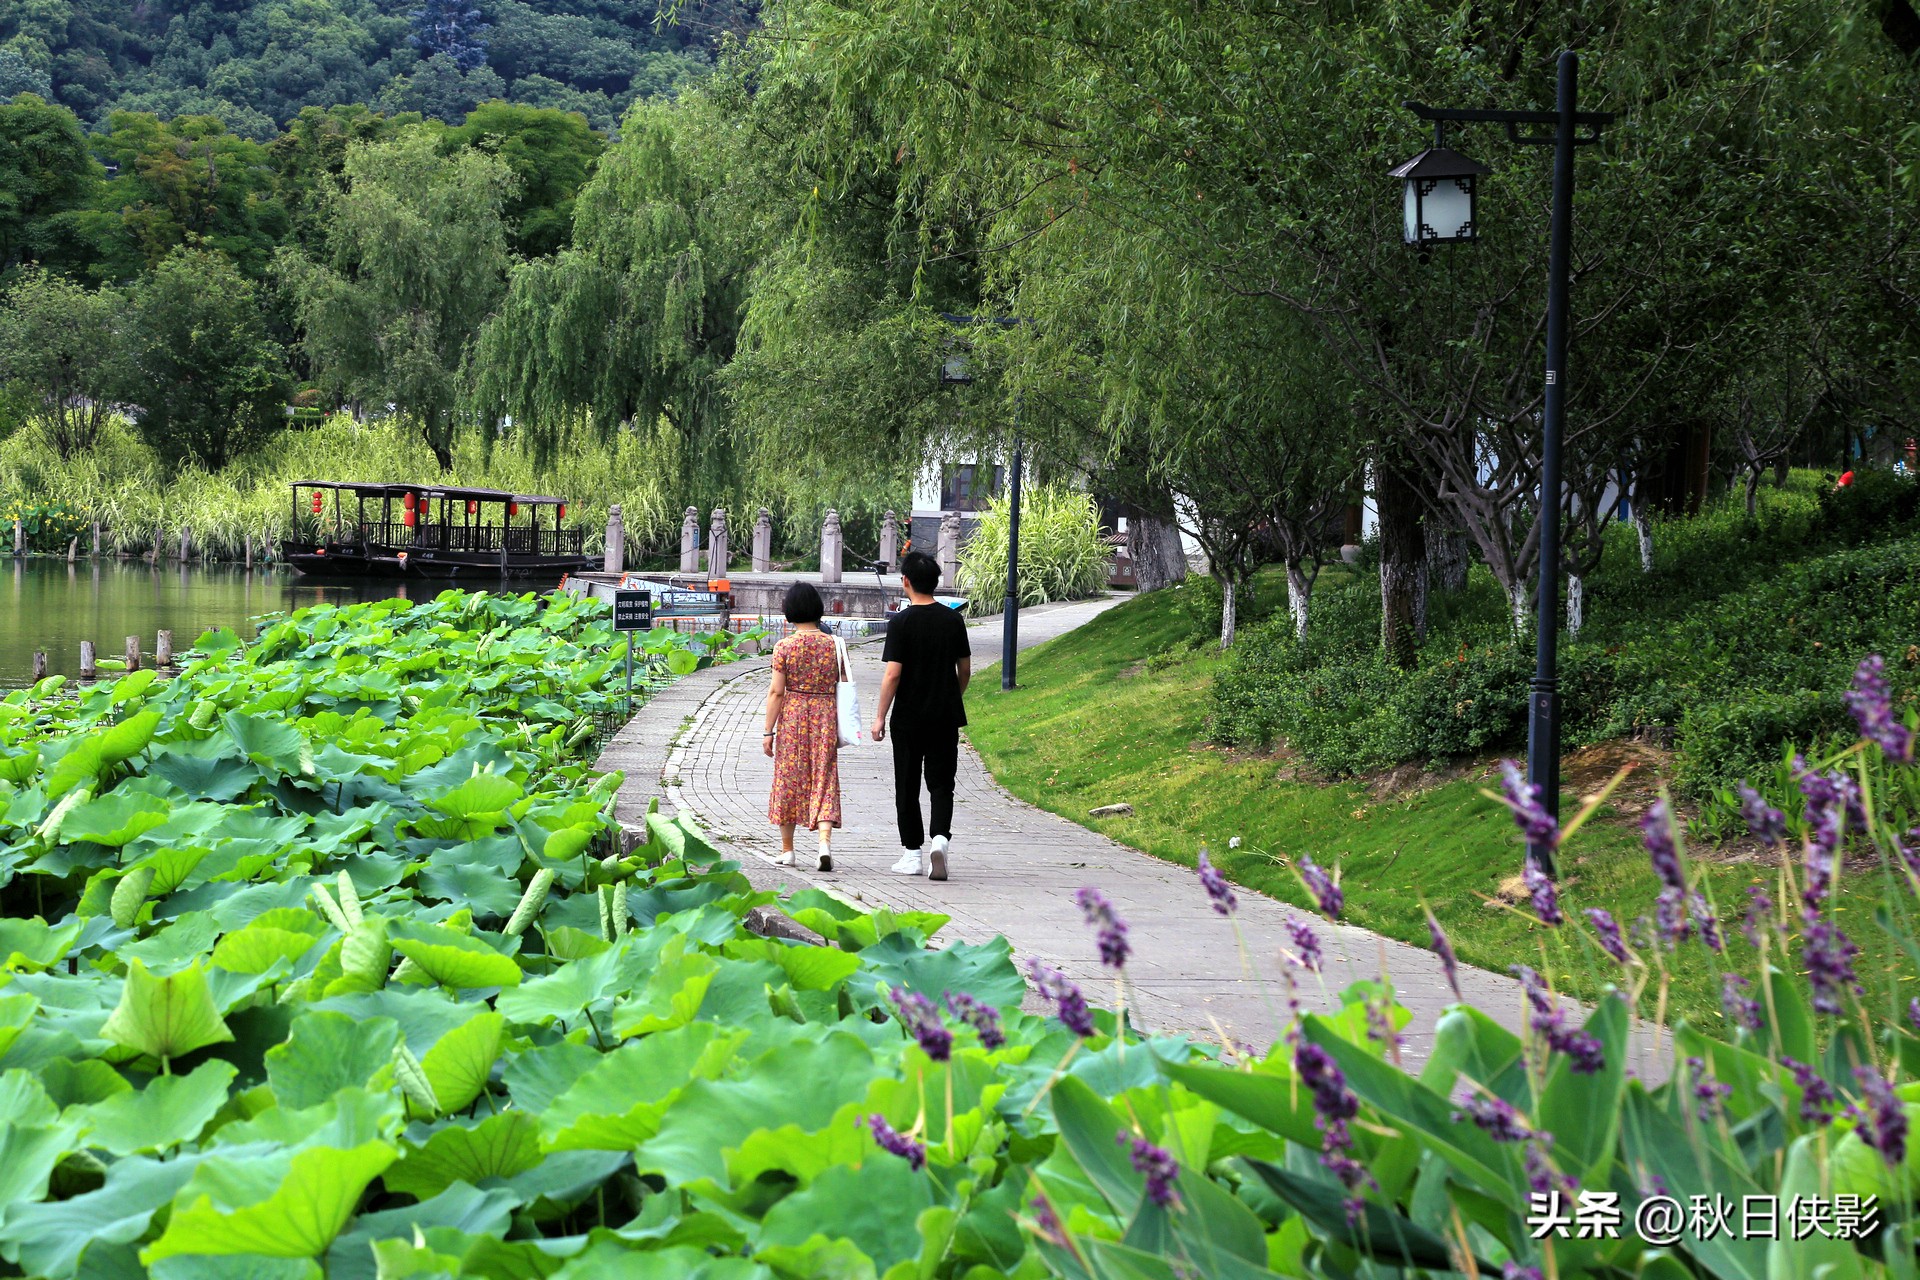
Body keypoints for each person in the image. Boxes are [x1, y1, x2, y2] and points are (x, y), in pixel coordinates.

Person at [871, 550, 971, 880]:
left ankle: (912, 853)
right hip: (945, 716)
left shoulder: (901, 623)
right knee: (942, 783)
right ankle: (940, 840)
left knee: (908, 784)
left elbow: (893, 675)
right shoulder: (953, 620)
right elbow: (965, 668)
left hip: (909, 719)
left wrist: (879, 716)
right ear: (937, 582)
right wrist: (952, 696)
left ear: (906, 582)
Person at [763, 582, 843, 871]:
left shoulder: (784, 647)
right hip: (825, 716)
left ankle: (788, 851)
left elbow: (776, 692)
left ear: (790, 611)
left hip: (794, 716)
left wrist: (767, 731)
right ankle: (823, 843)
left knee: (788, 778)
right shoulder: (834, 645)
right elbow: (842, 683)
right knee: (824, 777)